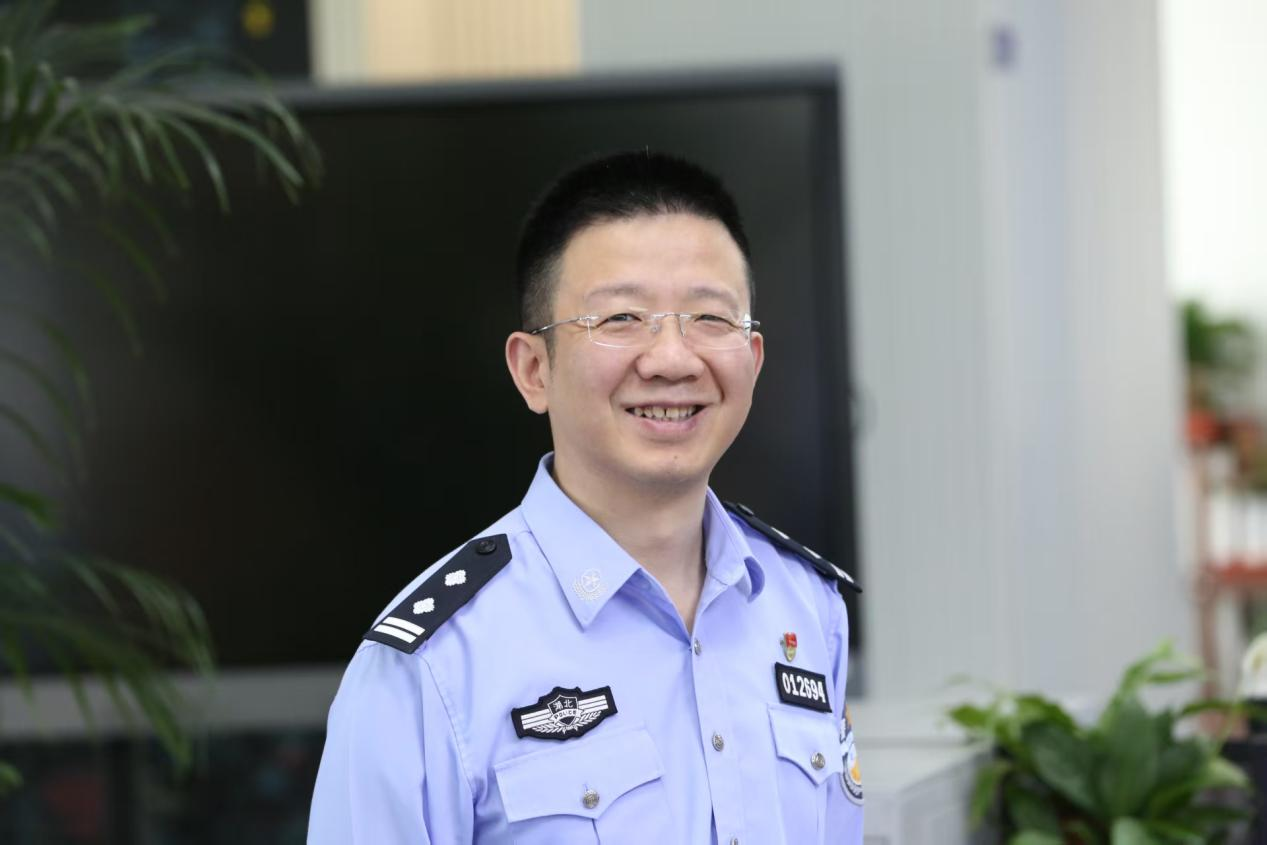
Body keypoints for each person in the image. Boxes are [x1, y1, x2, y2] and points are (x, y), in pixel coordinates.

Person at [307, 150, 863, 844]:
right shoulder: (434, 664)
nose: (672, 359)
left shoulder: (805, 606)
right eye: (621, 318)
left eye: (709, 318)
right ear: (532, 370)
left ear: (751, 361)